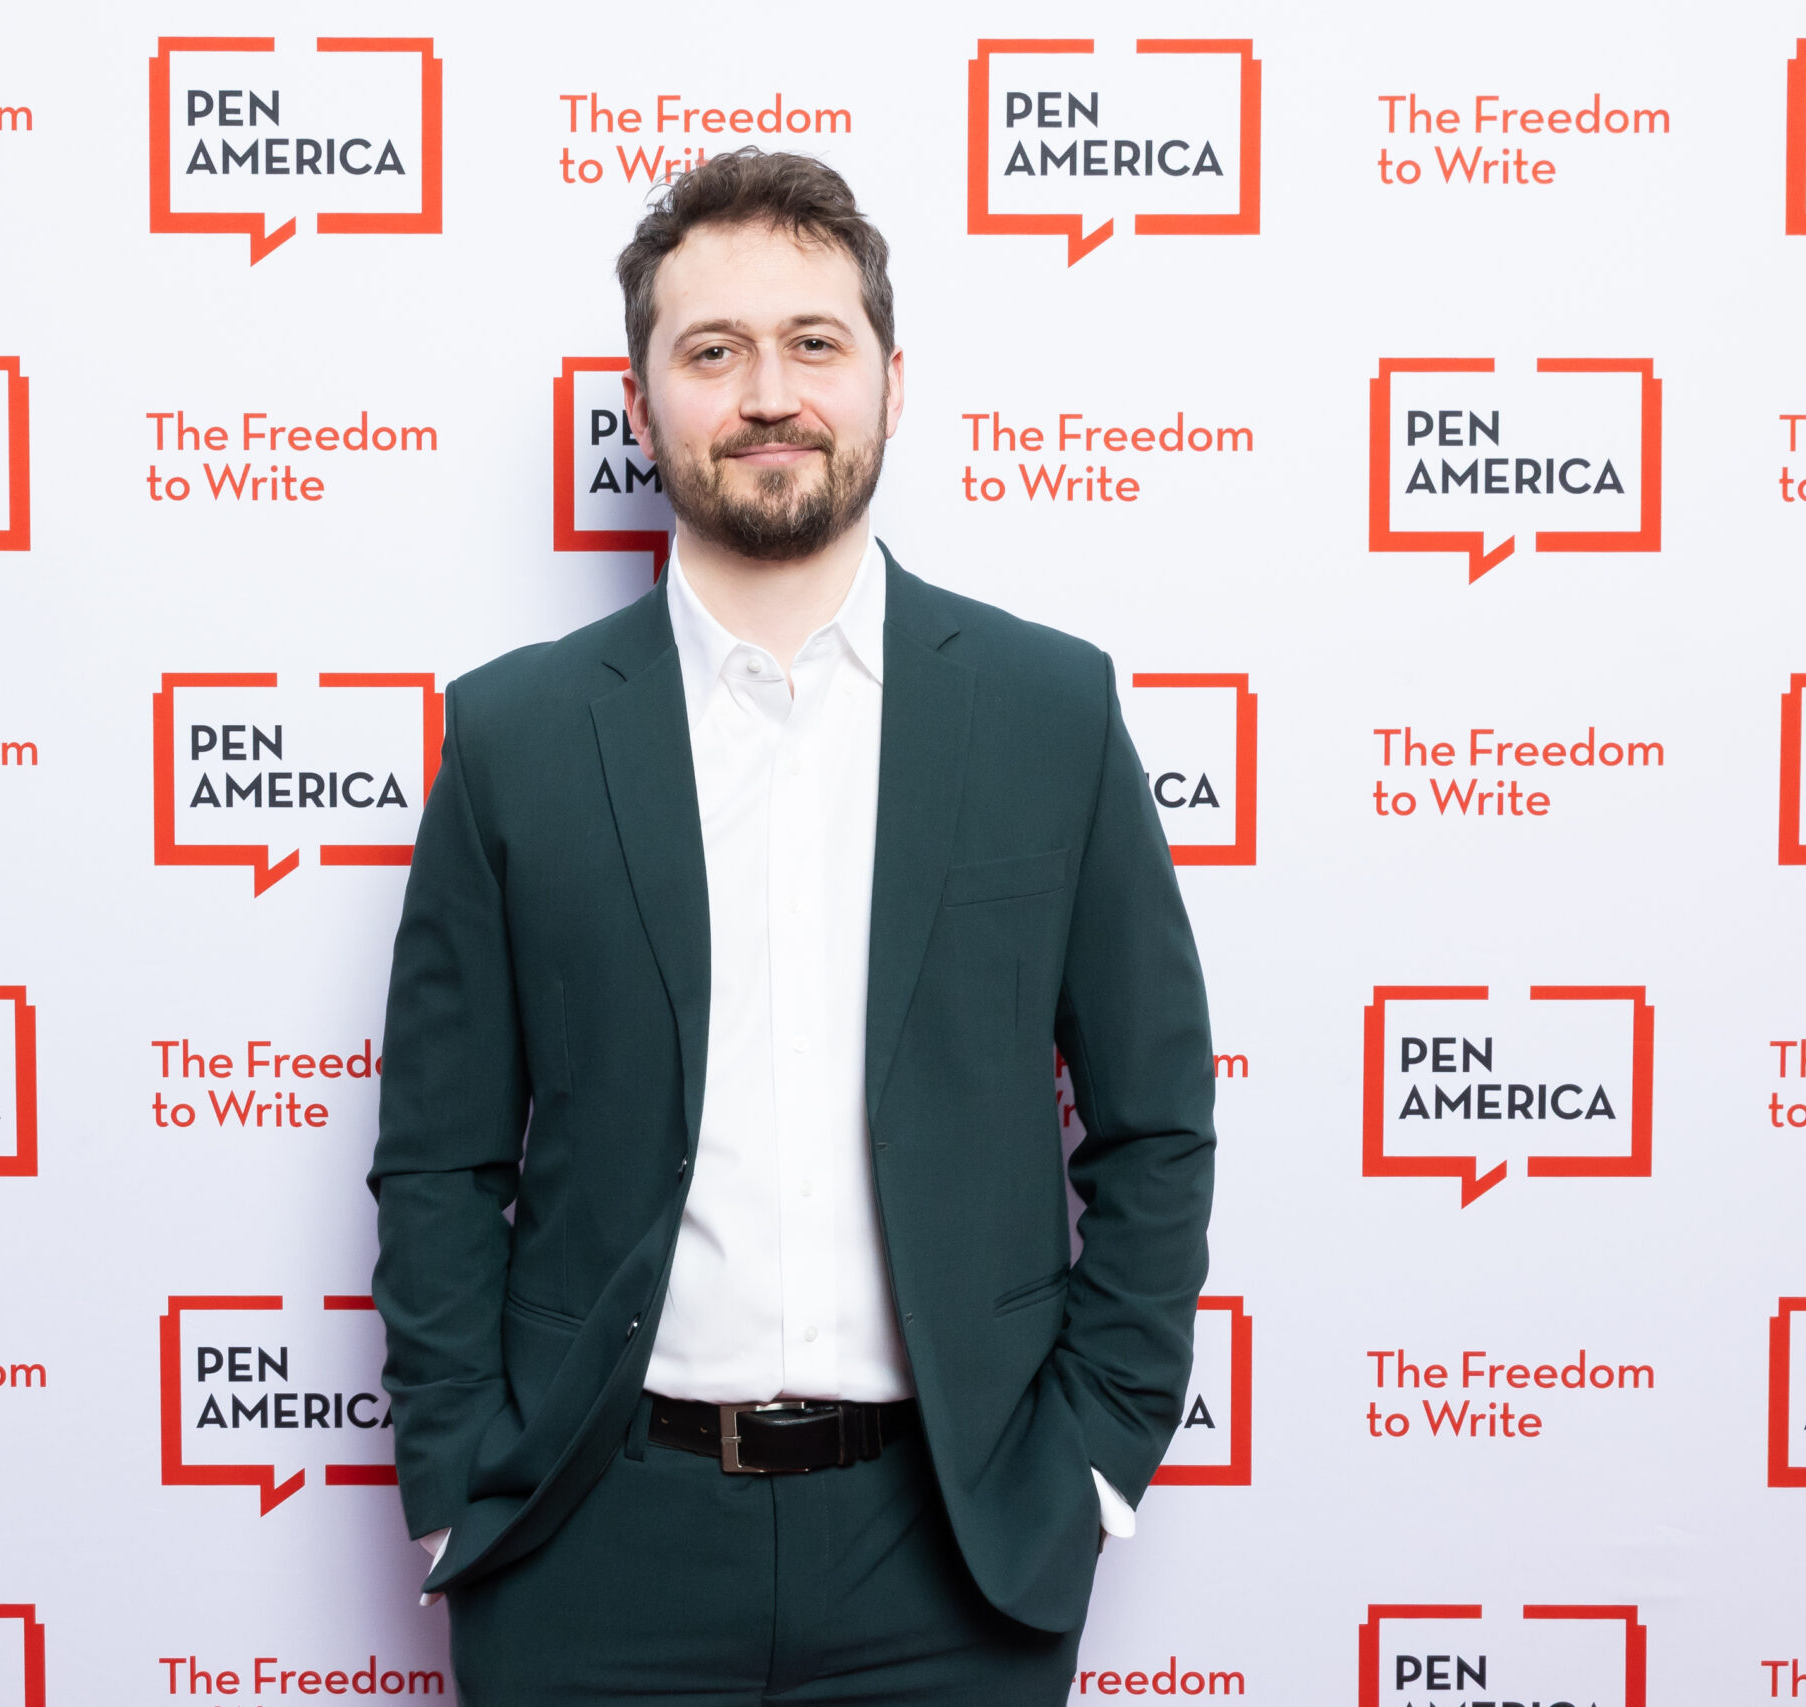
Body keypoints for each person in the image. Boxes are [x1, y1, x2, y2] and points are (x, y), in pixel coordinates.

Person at [369, 147, 1217, 1705]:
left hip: (957, 1554)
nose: (770, 394)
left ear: (894, 379)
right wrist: (453, 1482)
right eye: (713, 351)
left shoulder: (1049, 711)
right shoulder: (515, 738)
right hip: (588, 1548)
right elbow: (440, 1159)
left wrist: (1092, 1466)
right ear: (640, 407)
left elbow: (1156, 1122)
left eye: (814, 343)